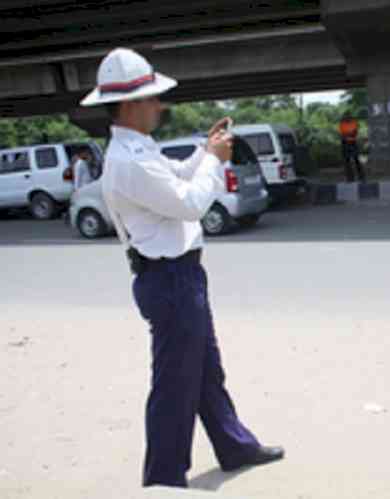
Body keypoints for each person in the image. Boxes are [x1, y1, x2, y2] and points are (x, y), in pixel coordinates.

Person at [80, 48, 283, 488]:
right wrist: (214, 159)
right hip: (169, 279)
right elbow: (189, 203)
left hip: (179, 276)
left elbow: (175, 176)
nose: (160, 106)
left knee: (206, 371)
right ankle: (164, 480)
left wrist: (202, 152)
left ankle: (234, 445)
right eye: (153, 99)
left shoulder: (136, 149)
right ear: (131, 105)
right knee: (175, 385)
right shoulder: (129, 160)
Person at [339, 113, 365, 182]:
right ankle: (350, 178)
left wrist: (348, 134)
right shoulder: (342, 124)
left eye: (348, 117)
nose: (347, 118)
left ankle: (361, 177)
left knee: (357, 160)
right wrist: (349, 134)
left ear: (350, 117)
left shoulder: (354, 123)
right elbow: (342, 135)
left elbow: (355, 133)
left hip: (353, 143)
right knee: (347, 161)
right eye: (345, 117)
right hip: (345, 143)